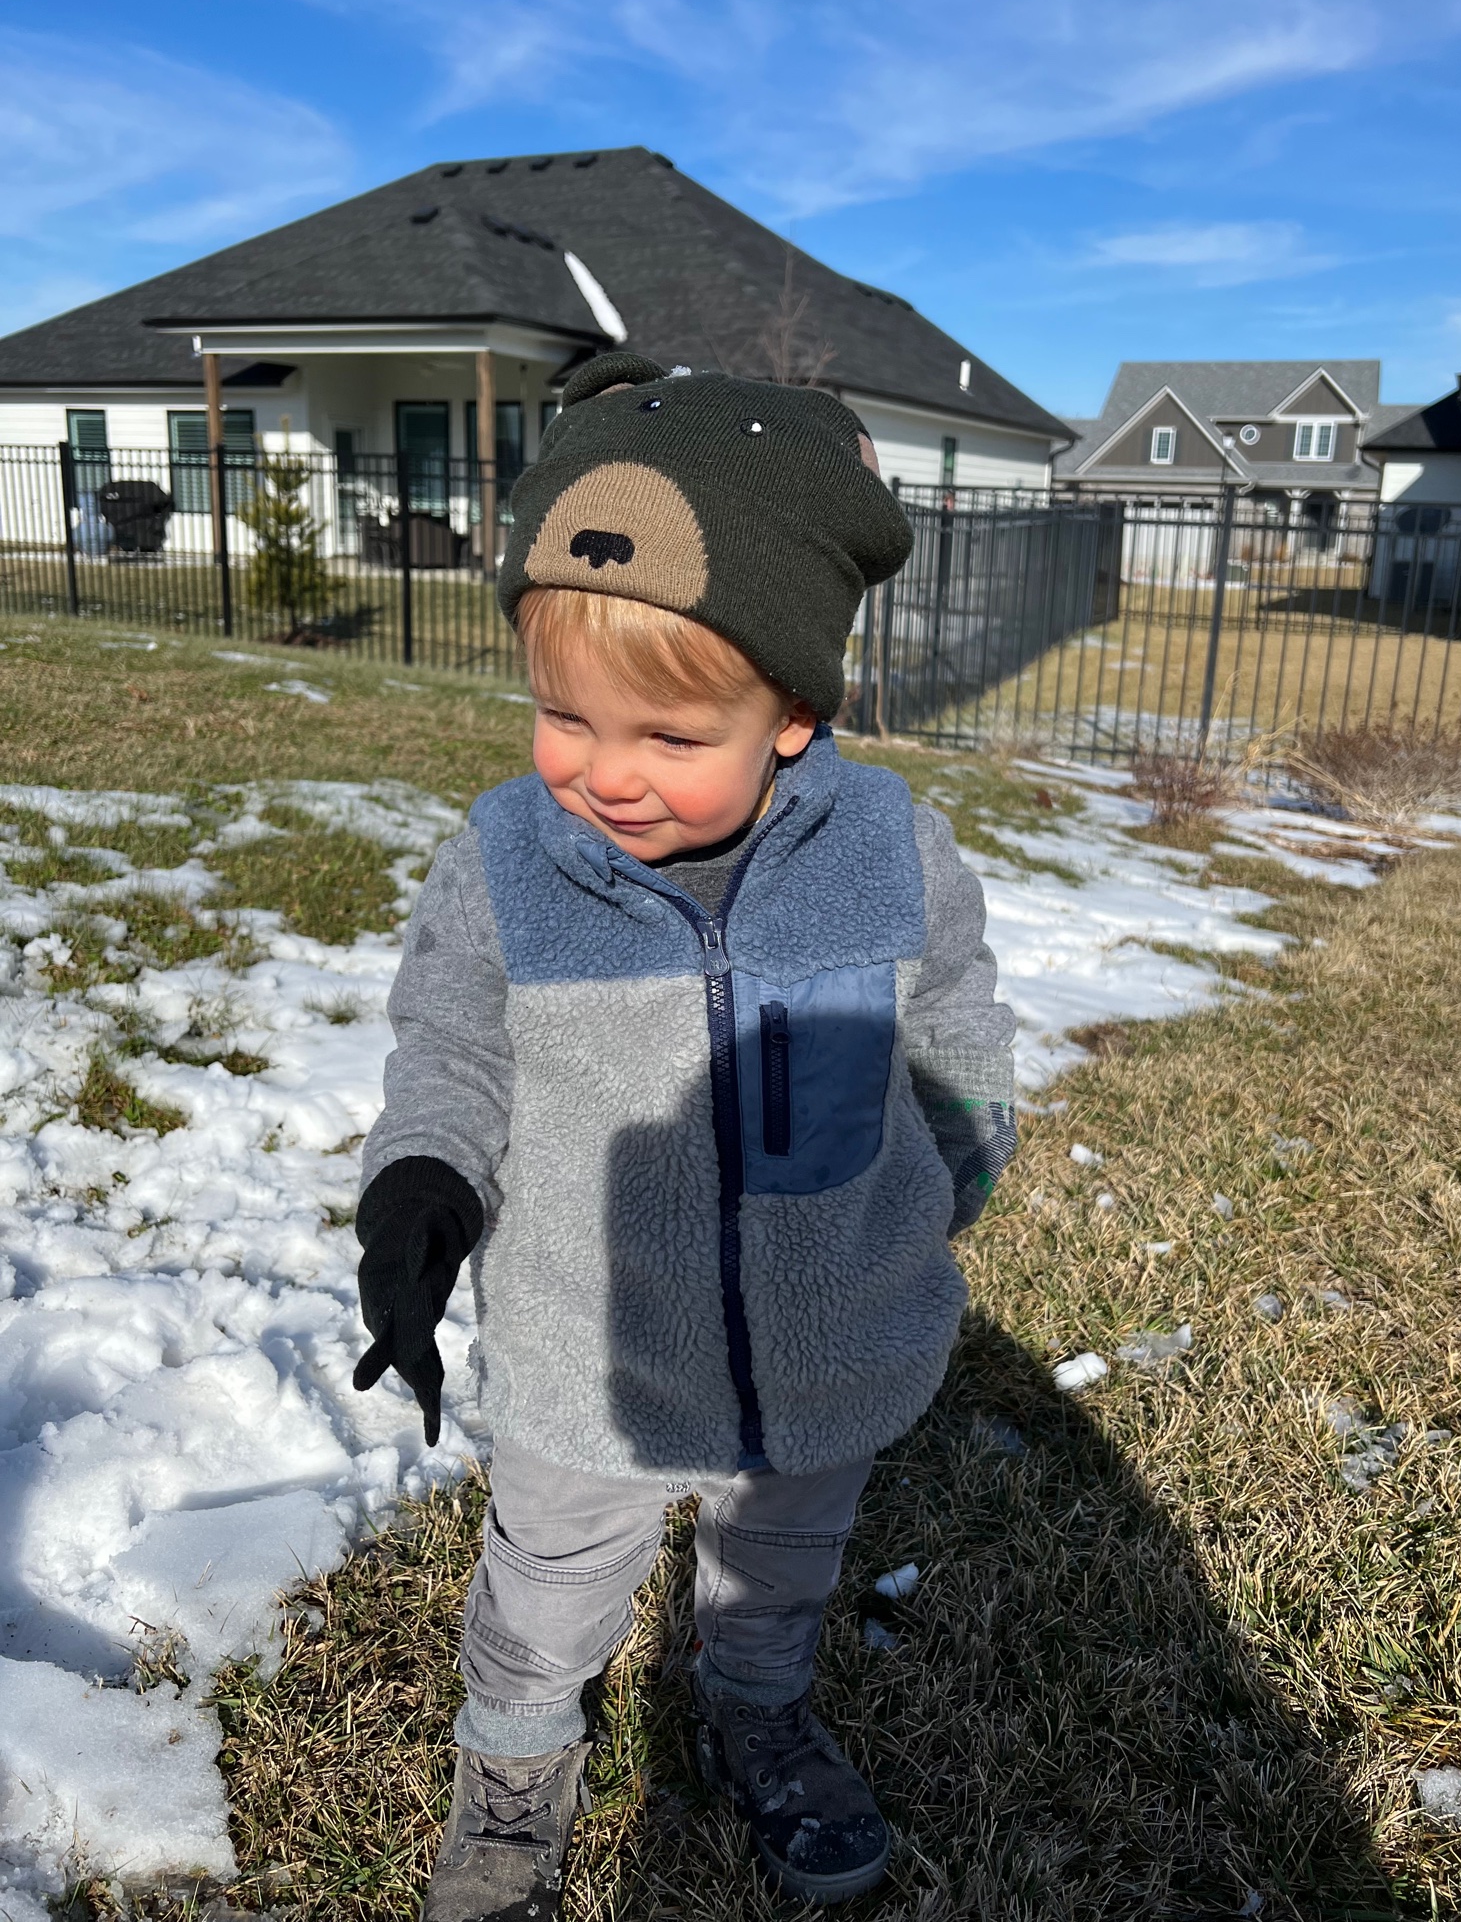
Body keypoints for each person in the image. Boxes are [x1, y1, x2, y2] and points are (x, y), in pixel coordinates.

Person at [352, 350, 1018, 1920]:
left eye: (665, 734)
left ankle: (756, 1713)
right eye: (562, 717)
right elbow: (450, 1046)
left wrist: (953, 1169)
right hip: (596, 1342)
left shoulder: (890, 852)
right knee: (552, 1582)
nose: (602, 774)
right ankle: (514, 1774)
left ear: (791, 710)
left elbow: (956, 1027)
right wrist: (425, 1193)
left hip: (828, 1334)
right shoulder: (512, 861)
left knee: (778, 1562)